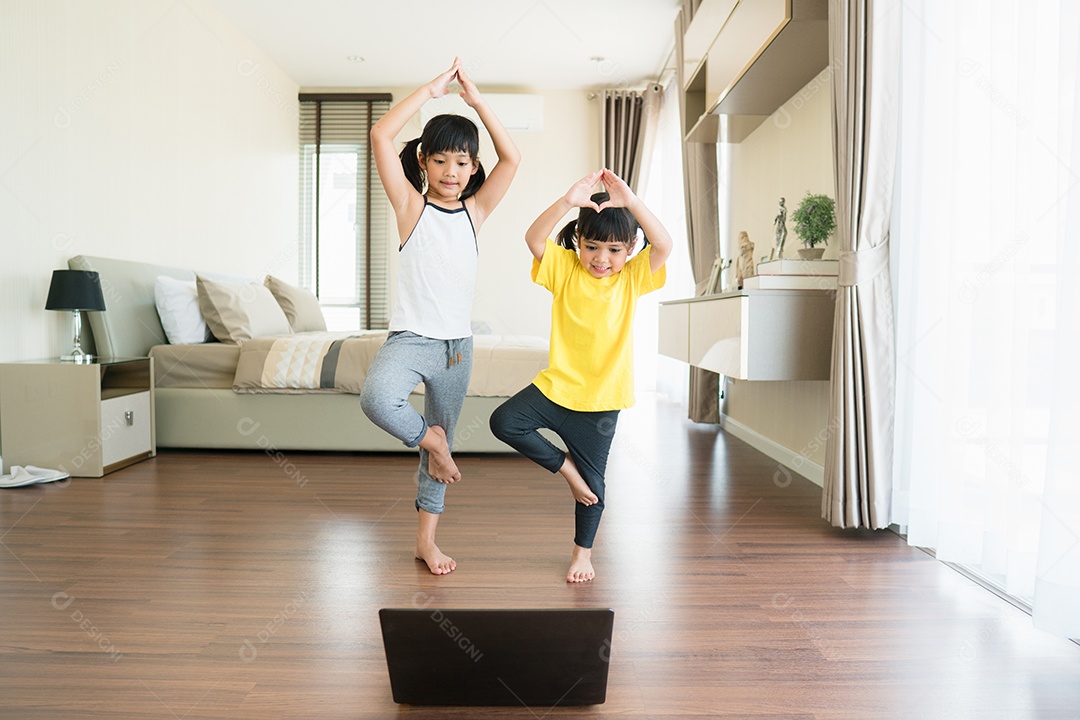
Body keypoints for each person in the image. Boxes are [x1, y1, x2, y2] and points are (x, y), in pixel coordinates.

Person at [361, 58, 520, 575]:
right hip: (410, 340)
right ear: (424, 163)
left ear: (474, 168)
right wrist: (430, 91)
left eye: (463, 163)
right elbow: (381, 135)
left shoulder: (475, 214)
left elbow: (512, 158)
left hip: (456, 348)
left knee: (437, 455)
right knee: (379, 398)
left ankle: (426, 541)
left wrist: (476, 102)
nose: (452, 173)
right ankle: (433, 440)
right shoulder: (411, 207)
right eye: (442, 161)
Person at [489, 169, 671, 583]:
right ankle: (566, 470)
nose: (601, 259)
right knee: (504, 421)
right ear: (577, 243)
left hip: (602, 403)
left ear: (629, 251)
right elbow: (534, 238)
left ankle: (582, 555)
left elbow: (664, 244)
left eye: (613, 250)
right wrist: (568, 200)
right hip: (556, 389)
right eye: (591, 246)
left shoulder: (632, 277)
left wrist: (633, 202)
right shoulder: (565, 268)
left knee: (593, 490)